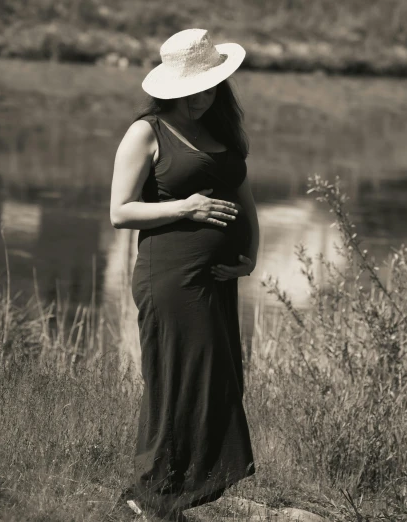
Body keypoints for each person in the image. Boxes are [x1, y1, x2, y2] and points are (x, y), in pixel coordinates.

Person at [109, 28, 259, 521]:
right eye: (190, 90)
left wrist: (251, 253)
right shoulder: (146, 132)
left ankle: (180, 493)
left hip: (217, 277)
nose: (199, 98)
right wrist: (185, 208)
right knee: (179, 378)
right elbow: (120, 212)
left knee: (217, 378)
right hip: (171, 275)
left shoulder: (223, 132)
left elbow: (243, 196)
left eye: (208, 87)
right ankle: (149, 493)